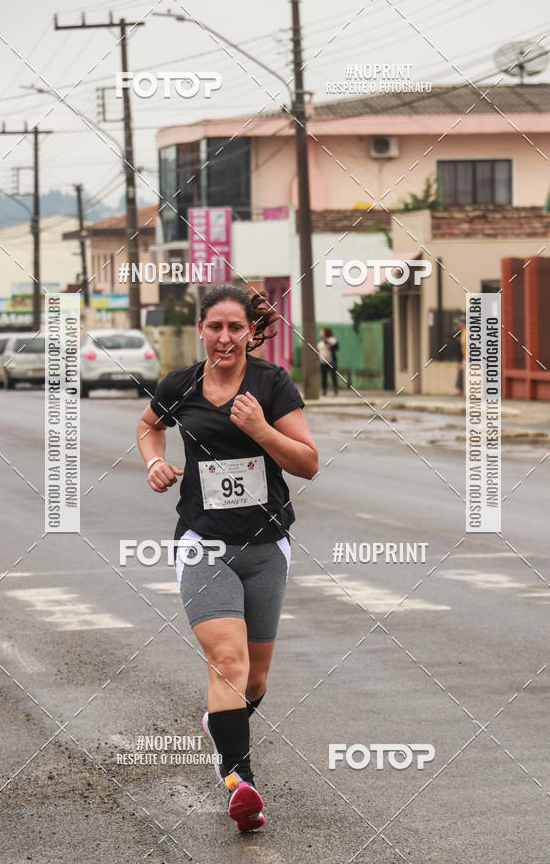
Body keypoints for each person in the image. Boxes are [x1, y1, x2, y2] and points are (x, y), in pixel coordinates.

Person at [136, 285, 318, 833]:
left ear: (249, 332)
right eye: (215, 326)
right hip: (203, 542)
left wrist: (260, 429)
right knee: (228, 664)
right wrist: (154, 462)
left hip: (266, 545)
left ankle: (222, 719)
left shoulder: (271, 384)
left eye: (235, 327)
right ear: (201, 330)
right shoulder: (180, 385)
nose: (224, 337)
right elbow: (148, 427)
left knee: (254, 680)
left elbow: (308, 463)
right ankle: (241, 784)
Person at [317, 326, 339, 396]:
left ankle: (335, 389)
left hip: (331, 361)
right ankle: (324, 390)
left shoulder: (332, 339)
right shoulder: (321, 341)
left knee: (333, 376)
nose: (321, 333)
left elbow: (336, 347)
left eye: (322, 332)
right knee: (323, 377)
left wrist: (329, 345)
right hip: (322, 361)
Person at [455, 318, 466, 395]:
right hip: (465, 357)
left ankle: (460, 389)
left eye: (459, 324)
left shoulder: (466, 333)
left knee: (461, 370)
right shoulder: (462, 333)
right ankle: (460, 388)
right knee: (460, 370)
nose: (458, 325)